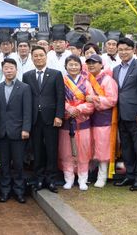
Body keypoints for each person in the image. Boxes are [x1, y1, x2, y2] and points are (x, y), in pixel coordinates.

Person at [22, 45, 64, 192]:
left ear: (46, 57)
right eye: (36, 56)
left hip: (51, 118)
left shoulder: (56, 74)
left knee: (52, 149)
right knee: (37, 150)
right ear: (32, 58)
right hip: (35, 119)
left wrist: (59, 115)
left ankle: (51, 179)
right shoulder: (27, 76)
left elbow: (60, 97)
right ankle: (39, 178)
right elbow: (26, 99)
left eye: (41, 55)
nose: (38, 58)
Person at [113, 37, 137, 191]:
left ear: (133, 50)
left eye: (126, 49)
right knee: (126, 147)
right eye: (120, 50)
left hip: (136, 114)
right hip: (120, 114)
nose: (123, 52)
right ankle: (130, 174)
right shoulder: (116, 69)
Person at [0, 57, 32, 203]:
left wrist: (26, 129)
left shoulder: (24, 88)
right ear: (2, 70)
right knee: (4, 164)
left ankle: (19, 191)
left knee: (18, 164)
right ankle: (4, 191)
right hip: (2, 132)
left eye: (11, 68)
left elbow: (27, 110)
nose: (8, 70)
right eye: (6, 68)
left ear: (16, 70)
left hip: (18, 132)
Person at [58, 55, 94, 191]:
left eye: (76, 64)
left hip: (82, 121)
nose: (73, 67)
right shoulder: (61, 81)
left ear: (80, 66)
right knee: (66, 151)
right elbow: (58, 99)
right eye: (70, 65)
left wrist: (78, 109)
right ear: (66, 67)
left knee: (83, 152)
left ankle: (83, 179)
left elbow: (90, 103)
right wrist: (68, 108)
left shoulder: (86, 83)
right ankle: (68, 179)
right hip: (67, 121)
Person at [85, 54, 118, 188]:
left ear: (101, 64)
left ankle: (102, 176)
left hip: (103, 119)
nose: (91, 65)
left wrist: (95, 99)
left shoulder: (107, 80)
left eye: (94, 63)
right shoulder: (86, 79)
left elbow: (112, 100)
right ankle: (90, 174)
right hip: (88, 117)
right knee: (90, 147)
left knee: (102, 148)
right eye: (89, 63)